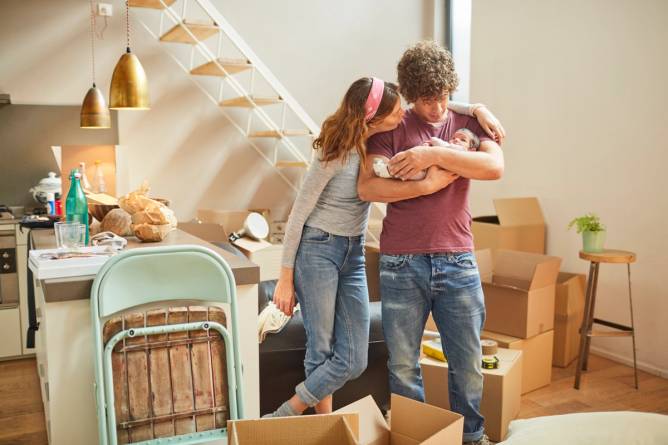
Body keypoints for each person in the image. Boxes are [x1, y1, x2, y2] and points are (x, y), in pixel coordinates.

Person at [266, 76, 503, 418]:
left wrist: (476, 108)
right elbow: (298, 214)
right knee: (320, 347)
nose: (402, 116)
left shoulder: (375, 141)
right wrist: (285, 278)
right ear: (371, 117)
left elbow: (433, 103)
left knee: (355, 358)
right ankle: (317, 424)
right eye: (394, 113)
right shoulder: (333, 153)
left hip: (354, 253)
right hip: (318, 248)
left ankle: (291, 408)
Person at [357, 41, 505, 445]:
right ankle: (413, 436)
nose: (437, 109)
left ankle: (472, 437)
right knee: (404, 365)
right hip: (401, 263)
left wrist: (428, 153)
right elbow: (369, 187)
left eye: (442, 98)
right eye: (426, 101)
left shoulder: (468, 123)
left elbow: (494, 166)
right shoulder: (391, 128)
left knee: (468, 363)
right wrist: (427, 181)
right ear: (409, 95)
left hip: (458, 259)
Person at [373, 127, 481, 180]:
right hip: (425, 169)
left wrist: (435, 141)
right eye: (453, 138)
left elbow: (447, 148)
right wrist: (426, 146)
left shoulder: (462, 152)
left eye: (463, 140)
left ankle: (386, 171)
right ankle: (386, 169)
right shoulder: (449, 148)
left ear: (471, 150)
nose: (456, 140)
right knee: (405, 163)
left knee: (406, 169)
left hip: (426, 173)